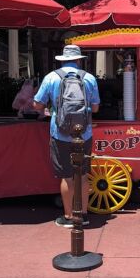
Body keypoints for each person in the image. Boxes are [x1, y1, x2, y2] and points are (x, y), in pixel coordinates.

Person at [33, 45, 100, 228]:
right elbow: (95, 108)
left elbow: (37, 104)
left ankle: (69, 216)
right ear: (79, 60)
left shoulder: (51, 77)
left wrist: (48, 108)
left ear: (62, 59)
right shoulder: (89, 78)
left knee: (67, 176)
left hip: (60, 133)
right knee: (83, 174)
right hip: (84, 133)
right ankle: (84, 215)